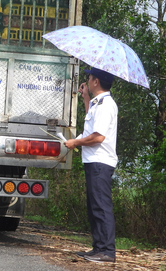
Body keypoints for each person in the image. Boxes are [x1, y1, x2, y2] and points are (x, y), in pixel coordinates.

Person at [63, 67, 118, 263]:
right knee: (94, 206)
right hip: (94, 161)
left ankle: (107, 251)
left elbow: (98, 136)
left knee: (101, 206)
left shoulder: (105, 105)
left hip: (100, 162)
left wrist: (75, 143)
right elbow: (92, 126)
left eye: (90, 77)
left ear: (96, 82)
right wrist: (86, 98)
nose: (87, 80)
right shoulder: (98, 104)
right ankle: (98, 248)